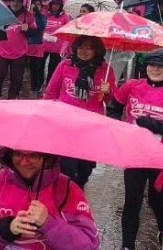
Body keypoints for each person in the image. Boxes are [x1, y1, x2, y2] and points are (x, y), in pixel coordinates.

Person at [106, 49, 163, 250]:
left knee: (157, 200)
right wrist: (117, 128)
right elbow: (114, 108)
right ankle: (127, 245)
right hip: (135, 153)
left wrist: (155, 125)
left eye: (161, 66)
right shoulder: (132, 86)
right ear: (145, 66)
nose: (155, 69)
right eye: (151, 65)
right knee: (132, 199)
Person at [0, 148, 99, 250]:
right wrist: (5, 229)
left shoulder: (67, 190)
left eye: (33, 156)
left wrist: (49, 223)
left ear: (48, 158)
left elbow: (88, 243)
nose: (23, 162)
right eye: (17, 154)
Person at [43, 35, 116, 188]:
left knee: (85, 168)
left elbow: (112, 101)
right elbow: (51, 93)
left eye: (89, 48)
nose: (83, 51)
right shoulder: (65, 65)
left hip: (90, 126)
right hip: (65, 123)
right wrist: (48, 116)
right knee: (67, 167)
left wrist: (108, 91)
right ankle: (66, 196)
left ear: (97, 50)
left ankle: (78, 189)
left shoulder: (105, 70)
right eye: (80, 47)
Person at [0, 0, 41, 100]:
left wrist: (27, 30)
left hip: (19, 53)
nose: (16, 3)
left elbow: (35, 33)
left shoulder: (28, 15)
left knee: (16, 79)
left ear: (22, 2)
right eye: (13, 1)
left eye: (18, 1)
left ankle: (11, 100)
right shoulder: (2, 12)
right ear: (10, 2)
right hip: (1, 51)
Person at [42, 0, 70, 85]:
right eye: (53, 4)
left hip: (57, 47)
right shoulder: (45, 14)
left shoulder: (65, 16)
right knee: (40, 66)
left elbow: (66, 30)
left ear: (60, 6)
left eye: (57, 4)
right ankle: (39, 82)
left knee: (52, 68)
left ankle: (48, 84)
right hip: (44, 45)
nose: (55, 6)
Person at [25, 0, 48, 93]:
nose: (36, 6)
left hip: (36, 45)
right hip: (25, 45)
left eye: (38, 4)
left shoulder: (42, 16)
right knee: (25, 67)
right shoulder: (26, 15)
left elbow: (41, 27)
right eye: (34, 4)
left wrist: (37, 12)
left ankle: (35, 86)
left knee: (36, 68)